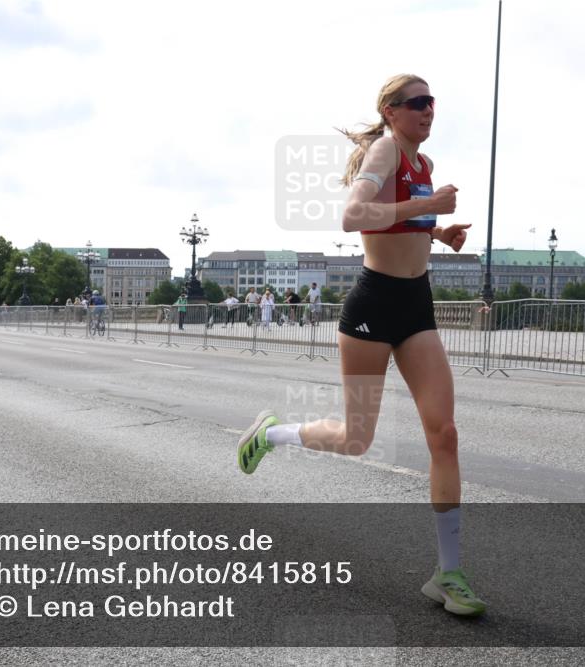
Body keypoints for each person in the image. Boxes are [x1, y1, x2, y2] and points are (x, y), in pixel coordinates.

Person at [235, 74, 482, 616]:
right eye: (418, 102)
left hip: (416, 306)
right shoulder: (386, 148)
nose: (429, 110)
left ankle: (449, 573)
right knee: (356, 439)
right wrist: (425, 210)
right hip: (372, 307)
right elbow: (351, 216)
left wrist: (439, 233)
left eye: (432, 102)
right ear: (391, 111)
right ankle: (271, 433)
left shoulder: (423, 166)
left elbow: (400, 225)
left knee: (445, 434)